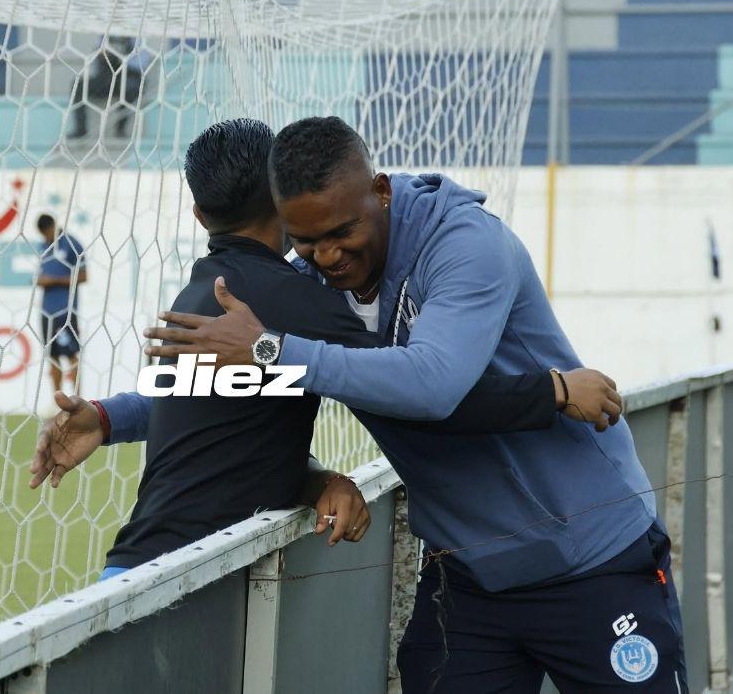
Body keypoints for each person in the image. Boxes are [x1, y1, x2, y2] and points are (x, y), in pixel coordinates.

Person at [142, 116, 687, 692]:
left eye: (341, 230)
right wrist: (107, 418)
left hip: (591, 562)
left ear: (380, 191)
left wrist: (272, 348)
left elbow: (433, 384)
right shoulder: (307, 287)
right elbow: (223, 385)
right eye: (306, 240)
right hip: (468, 576)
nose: (326, 256)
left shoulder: (466, 243)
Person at [30, 119, 624, 586]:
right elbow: (434, 394)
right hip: (204, 585)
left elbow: (210, 402)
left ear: (197, 214)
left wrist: (109, 418)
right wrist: (554, 390)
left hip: (129, 573)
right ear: (283, 201)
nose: (328, 254)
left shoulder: (203, 295)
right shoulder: (296, 301)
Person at [35, 213, 86, 397]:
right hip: (46, 310)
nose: (46, 237)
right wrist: (41, 281)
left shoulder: (71, 244)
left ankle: (78, 399)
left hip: (66, 311)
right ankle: (58, 401)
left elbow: (83, 276)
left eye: (47, 233)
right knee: (53, 356)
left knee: (71, 354)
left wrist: (54, 280)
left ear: (53, 226)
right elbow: (41, 275)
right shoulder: (43, 247)